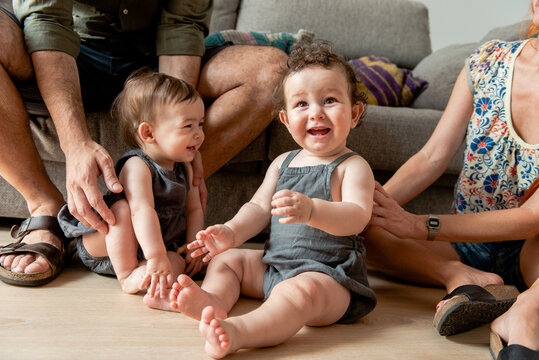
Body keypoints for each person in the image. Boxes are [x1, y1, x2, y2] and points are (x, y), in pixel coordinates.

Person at [0, 1, 287, 286]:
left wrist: (175, 127)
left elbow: (182, 25)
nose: (197, 132)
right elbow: (46, 21)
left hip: (152, 57)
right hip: (69, 51)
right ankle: (45, 207)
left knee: (272, 70)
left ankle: (165, 202)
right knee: (127, 210)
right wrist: (74, 143)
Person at [146, 40, 377, 359]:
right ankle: (212, 301)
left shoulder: (353, 166)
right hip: (274, 266)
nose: (316, 113)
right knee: (228, 261)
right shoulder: (283, 162)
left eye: (330, 100)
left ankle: (241, 332)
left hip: (330, 278)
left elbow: (356, 216)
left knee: (298, 292)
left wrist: (311, 209)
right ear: (284, 120)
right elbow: (257, 208)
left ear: (354, 113)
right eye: (301, 104)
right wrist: (231, 232)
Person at [365, 1, 539, 358]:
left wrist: (419, 225)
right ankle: (460, 278)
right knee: (363, 232)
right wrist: (368, 209)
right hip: (464, 243)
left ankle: (524, 316)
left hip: (533, 249)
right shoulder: (487, 61)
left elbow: (531, 218)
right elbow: (432, 157)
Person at [57, 69, 205, 298]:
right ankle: (127, 275)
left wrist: (194, 247)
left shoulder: (186, 165)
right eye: (188, 126)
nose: (199, 134)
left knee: (177, 263)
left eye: (200, 125)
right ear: (148, 133)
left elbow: (194, 208)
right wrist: (156, 255)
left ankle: (152, 280)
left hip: (153, 249)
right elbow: (141, 210)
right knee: (122, 210)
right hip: (107, 246)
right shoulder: (137, 165)